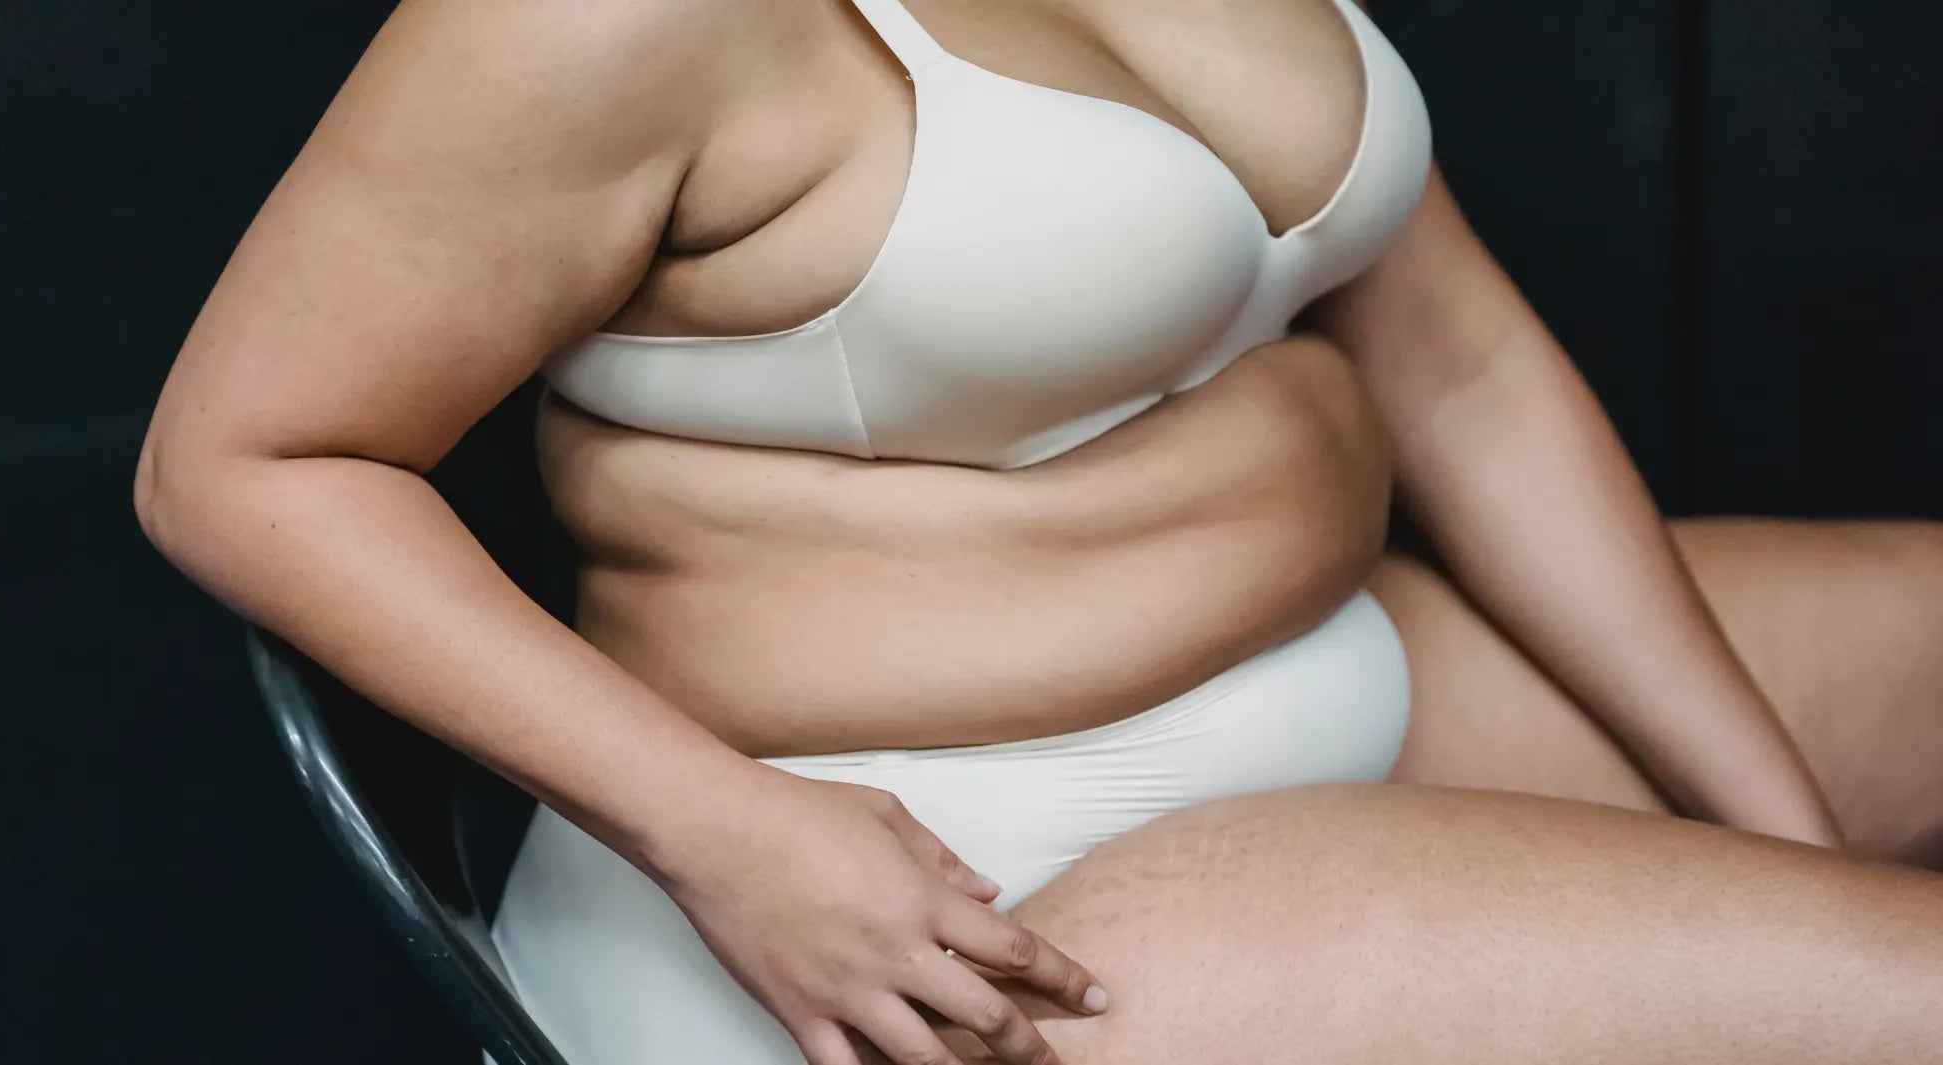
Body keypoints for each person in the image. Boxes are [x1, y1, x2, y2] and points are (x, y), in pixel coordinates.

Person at [133, 0, 1943, 1062]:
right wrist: (733, 838)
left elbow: (1452, 358)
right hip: (971, 900)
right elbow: (243, 458)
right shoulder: (606, 23)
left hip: (1339, 683)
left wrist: (1773, 818)